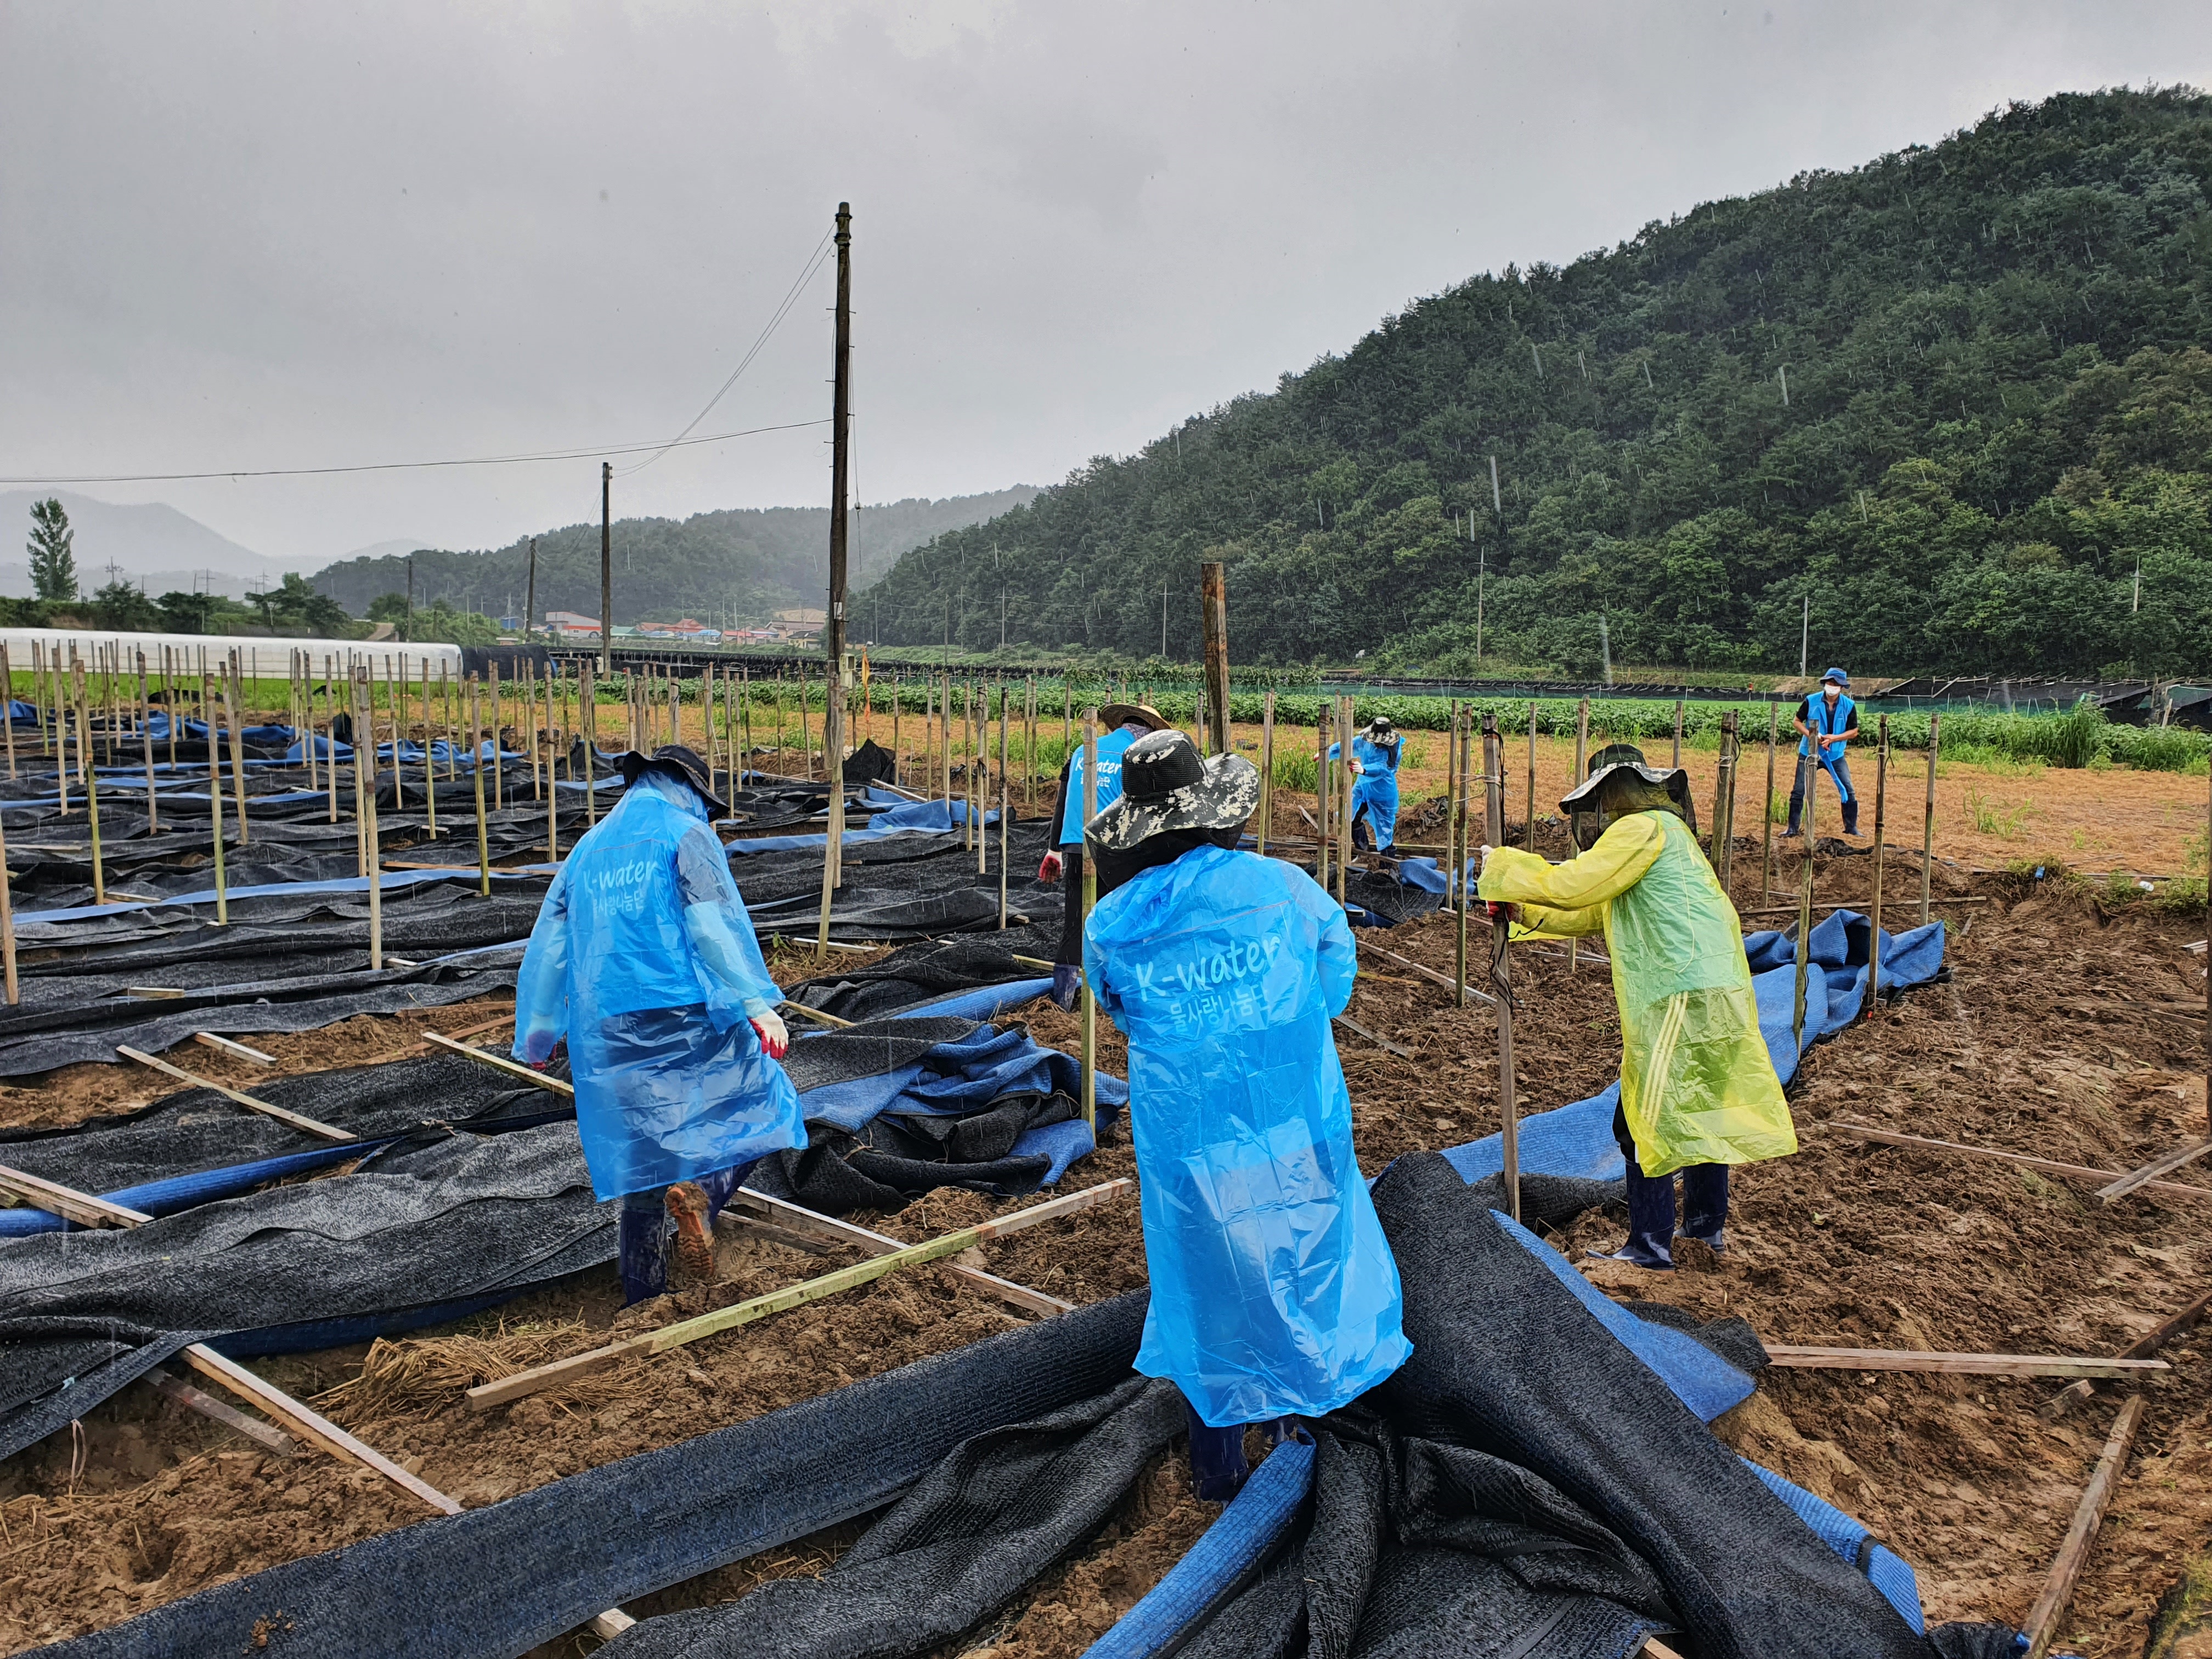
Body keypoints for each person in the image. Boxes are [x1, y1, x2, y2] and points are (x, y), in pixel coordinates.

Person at [1083, 729, 1412, 1499]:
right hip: (1291, 1116)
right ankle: (1298, 1432)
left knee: (1207, 1279)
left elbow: (1122, 1011)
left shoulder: (1112, 921)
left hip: (1189, 1137)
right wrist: (1287, 1027)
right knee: (1303, 1254)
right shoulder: (1283, 887)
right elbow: (1335, 971)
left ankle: (1217, 1472)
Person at [1477, 744, 1796, 1270]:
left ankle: (1650, 1246)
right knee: (1699, 1112)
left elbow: (1573, 885)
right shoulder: (1669, 837)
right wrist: (1519, 908)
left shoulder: (1641, 828)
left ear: (1618, 792)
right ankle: (1704, 1233)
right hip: (1710, 990)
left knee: (1640, 1117)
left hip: (1680, 991)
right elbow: (1593, 913)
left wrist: (1505, 866)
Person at [512, 743, 803, 1305]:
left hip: (606, 1023)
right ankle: (701, 1193)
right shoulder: (685, 835)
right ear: (689, 788)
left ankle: (642, 1301)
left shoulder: (588, 848)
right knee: (767, 1105)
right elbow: (711, 924)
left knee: (641, 1163)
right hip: (683, 1010)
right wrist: (755, 1001)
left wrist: (540, 1029)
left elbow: (549, 941)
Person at [1034, 702, 1173, 1008]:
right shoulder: (1134, 758)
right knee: (1119, 923)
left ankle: (1062, 1002)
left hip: (1074, 844)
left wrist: (1053, 850)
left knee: (1075, 925)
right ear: (1146, 733)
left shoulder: (1082, 751)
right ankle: (1116, 1000)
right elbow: (1143, 811)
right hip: (1113, 849)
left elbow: (1063, 801)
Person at [1786, 668, 1859, 837]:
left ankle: (1851, 828)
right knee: (1799, 790)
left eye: (1835, 684)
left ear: (1842, 687)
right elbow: (1797, 722)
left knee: (1848, 789)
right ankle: (1792, 829)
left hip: (1835, 755)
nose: (1831, 686)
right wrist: (1811, 735)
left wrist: (1834, 738)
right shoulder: (1811, 701)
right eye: (1829, 683)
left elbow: (1854, 731)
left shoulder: (1849, 706)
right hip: (1809, 752)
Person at [1327, 714, 1403, 853]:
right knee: (1351, 817)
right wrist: (1326, 753)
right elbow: (1348, 746)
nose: (1377, 744)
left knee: (1384, 830)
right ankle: (1363, 852)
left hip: (1382, 794)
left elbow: (1385, 768)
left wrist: (1364, 770)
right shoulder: (1365, 742)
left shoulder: (1393, 751)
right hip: (1362, 789)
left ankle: (1387, 866)